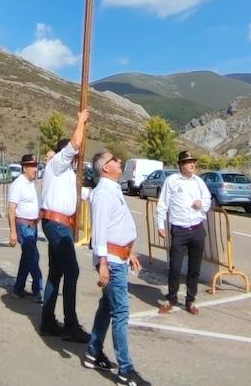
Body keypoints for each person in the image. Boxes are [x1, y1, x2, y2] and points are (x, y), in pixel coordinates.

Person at [85, 150, 149, 385]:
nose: (119, 162)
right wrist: (102, 264)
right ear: (104, 167)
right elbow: (100, 231)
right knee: (120, 311)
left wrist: (128, 252)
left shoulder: (112, 189)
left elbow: (116, 226)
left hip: (118, 257)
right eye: (114, 160)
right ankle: (125, 368)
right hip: (110, 261)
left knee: (106, 307)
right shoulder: (103, 193)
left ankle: (92, 351)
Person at [40, 109, 90, 343]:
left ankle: (48, 321)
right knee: (73, 271)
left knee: (56, 273)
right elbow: (74, 144)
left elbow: (79, 194)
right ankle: (70, 324)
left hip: (61, 225)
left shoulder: (66, 174)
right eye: (74, 155)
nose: (77, 158)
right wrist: (80, 121)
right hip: (57, 225)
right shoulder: (58, 164)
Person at [156, 150, 211, 315]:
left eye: (193, 161)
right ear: (181, 165)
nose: (193, 165)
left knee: (194, 268)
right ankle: (171, 297)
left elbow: (208, 199)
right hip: (179, 230)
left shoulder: (199, 181)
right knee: (175, 267)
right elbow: (162, 204)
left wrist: (200, 203)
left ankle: (190, 300)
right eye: (188, 162)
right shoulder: (172, 181)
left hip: (197, 229)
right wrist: (160, 225)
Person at [7, 153, 42, 300]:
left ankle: (18, 288)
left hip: (32, 226)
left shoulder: (31, 184)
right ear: (24, 167)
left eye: (35, 166)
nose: (35, 169)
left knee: (27, 258)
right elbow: (11, 209)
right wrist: (13, 232)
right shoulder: (18, 184)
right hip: (23, 225)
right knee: (33, 257)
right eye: (32, 166)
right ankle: (38, 290)